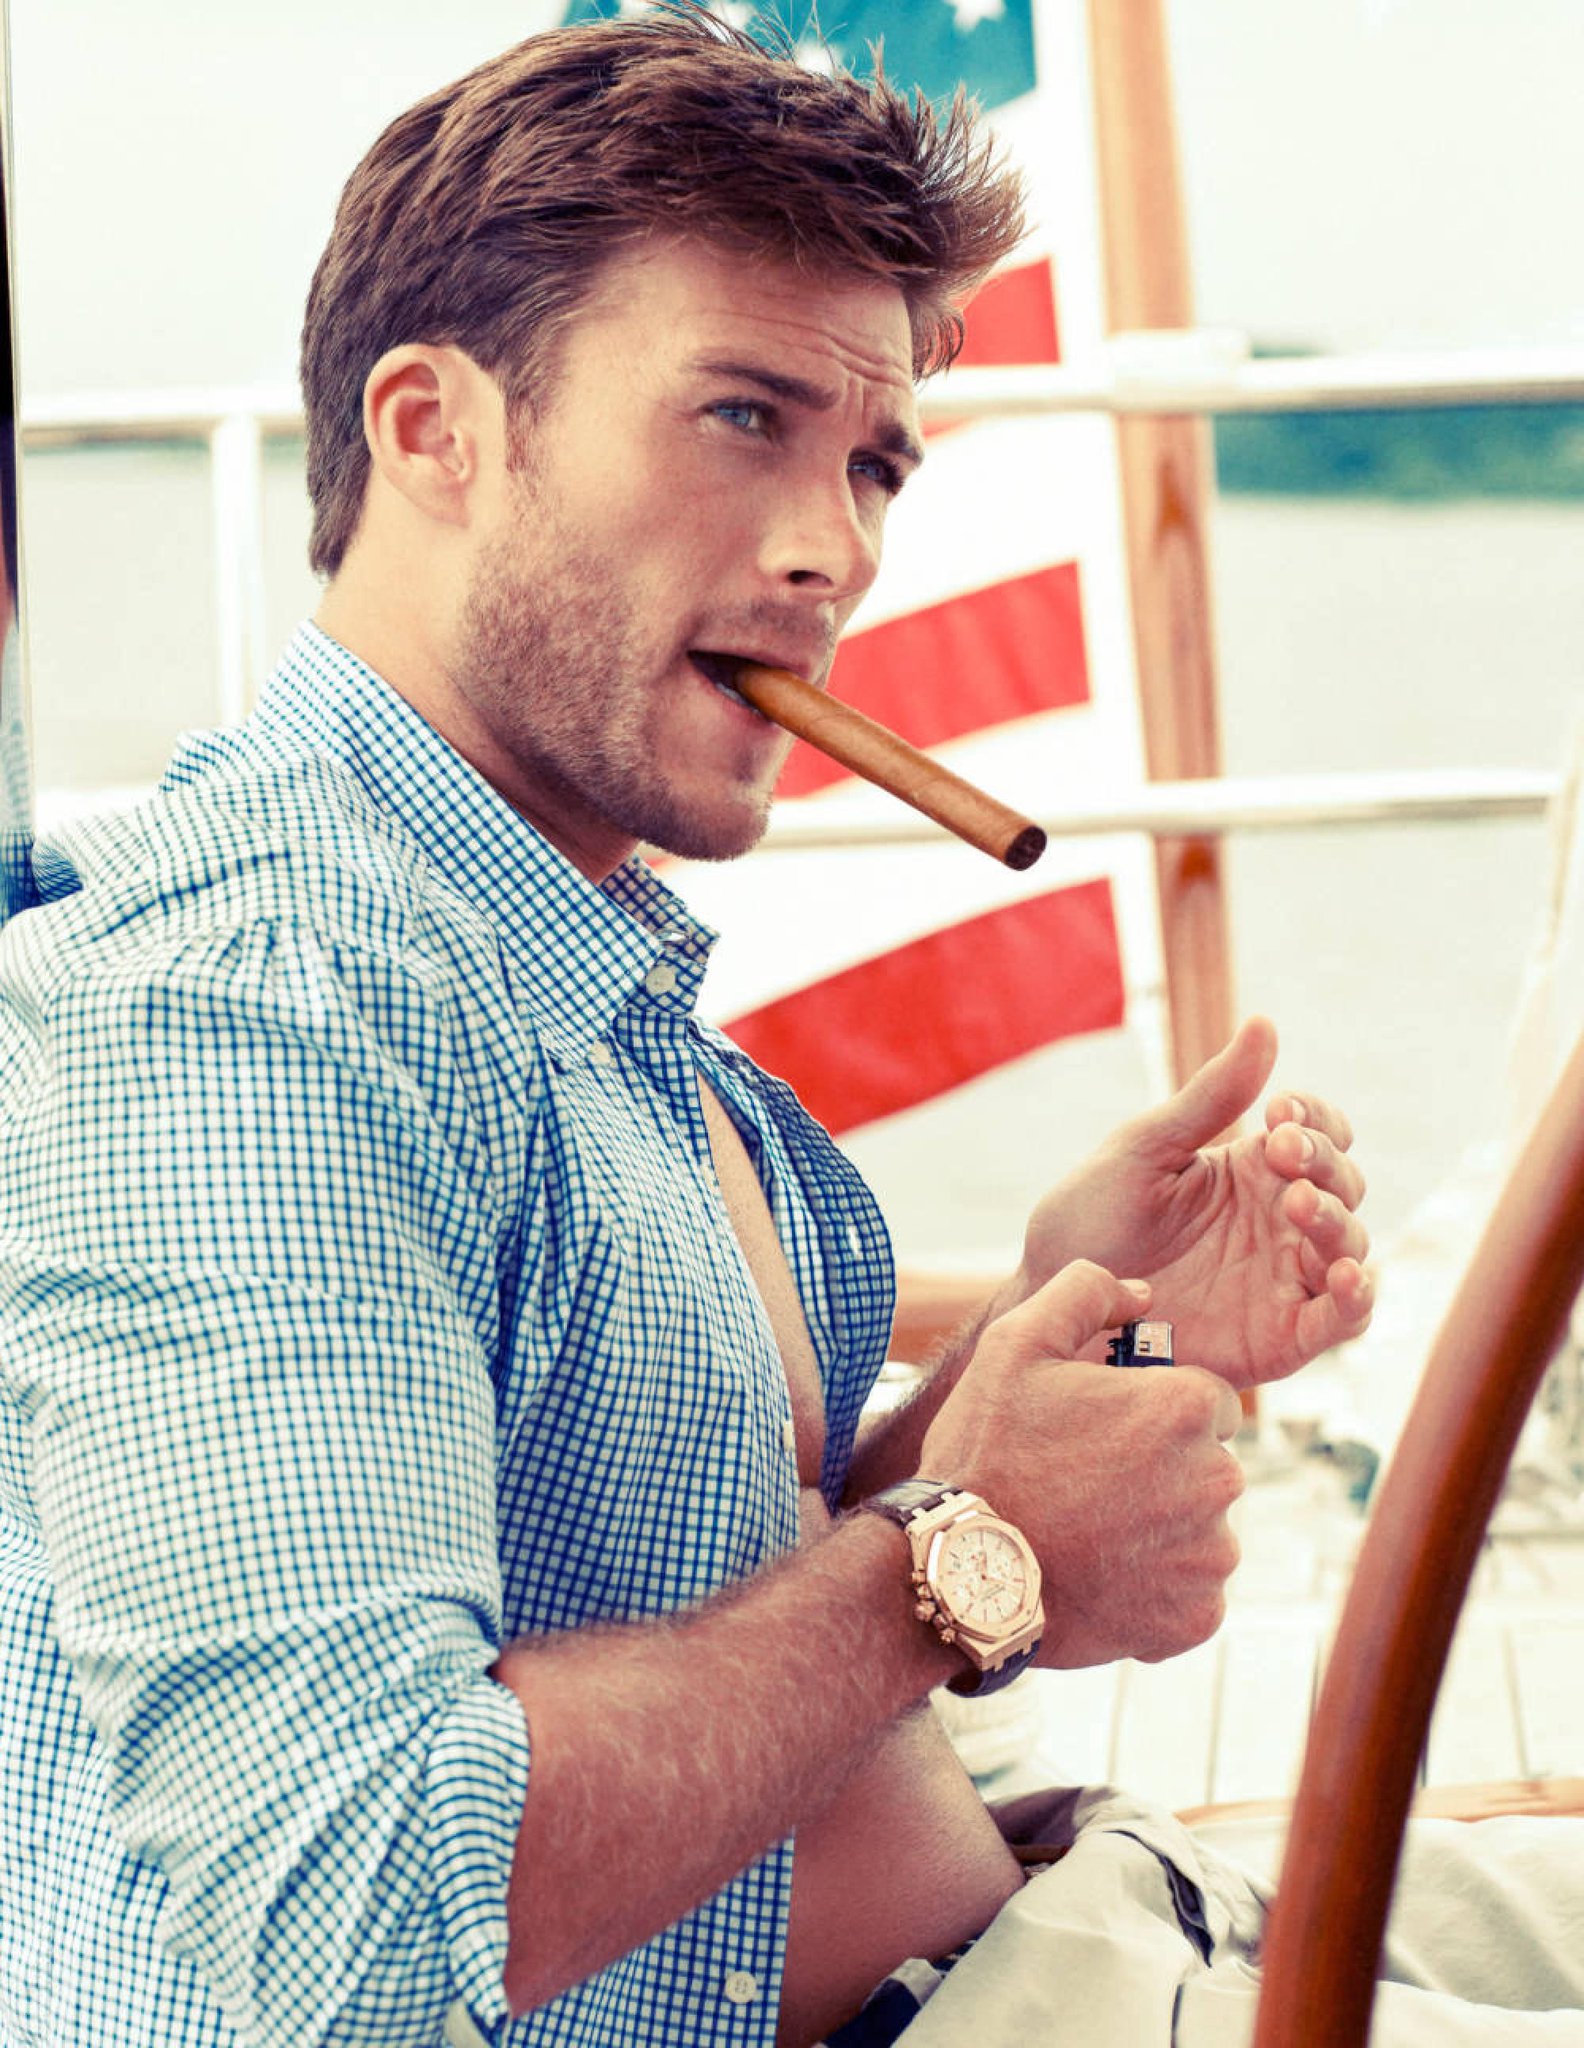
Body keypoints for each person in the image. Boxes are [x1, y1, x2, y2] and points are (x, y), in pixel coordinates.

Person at [0, 12, 1388, 2046]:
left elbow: (715, 1588)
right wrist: (973, 1548)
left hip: (1066, 1926)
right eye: (744, 416)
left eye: (875, 463)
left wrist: (1047, 1346)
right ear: (433, 432)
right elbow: (355, 1923)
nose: (839, 550)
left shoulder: (553, 943)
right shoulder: (255, 1006)